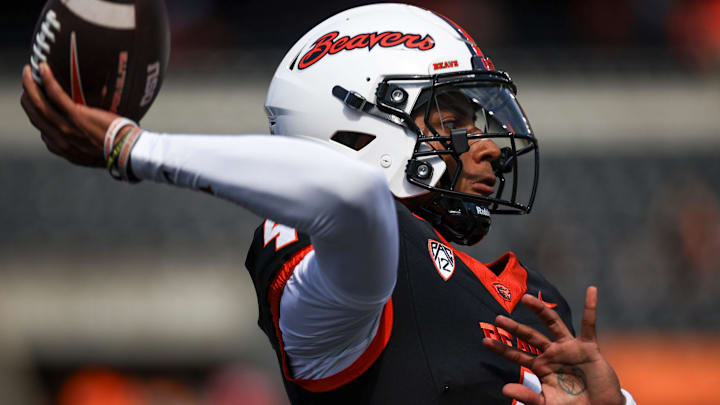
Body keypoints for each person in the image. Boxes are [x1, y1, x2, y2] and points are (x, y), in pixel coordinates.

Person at [21, 3, 636, 405]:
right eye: (454, 118)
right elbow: (351, 194)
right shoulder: (339, 288)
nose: (490, 150)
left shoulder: (540, 304)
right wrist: (129, 146)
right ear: (362, 123)